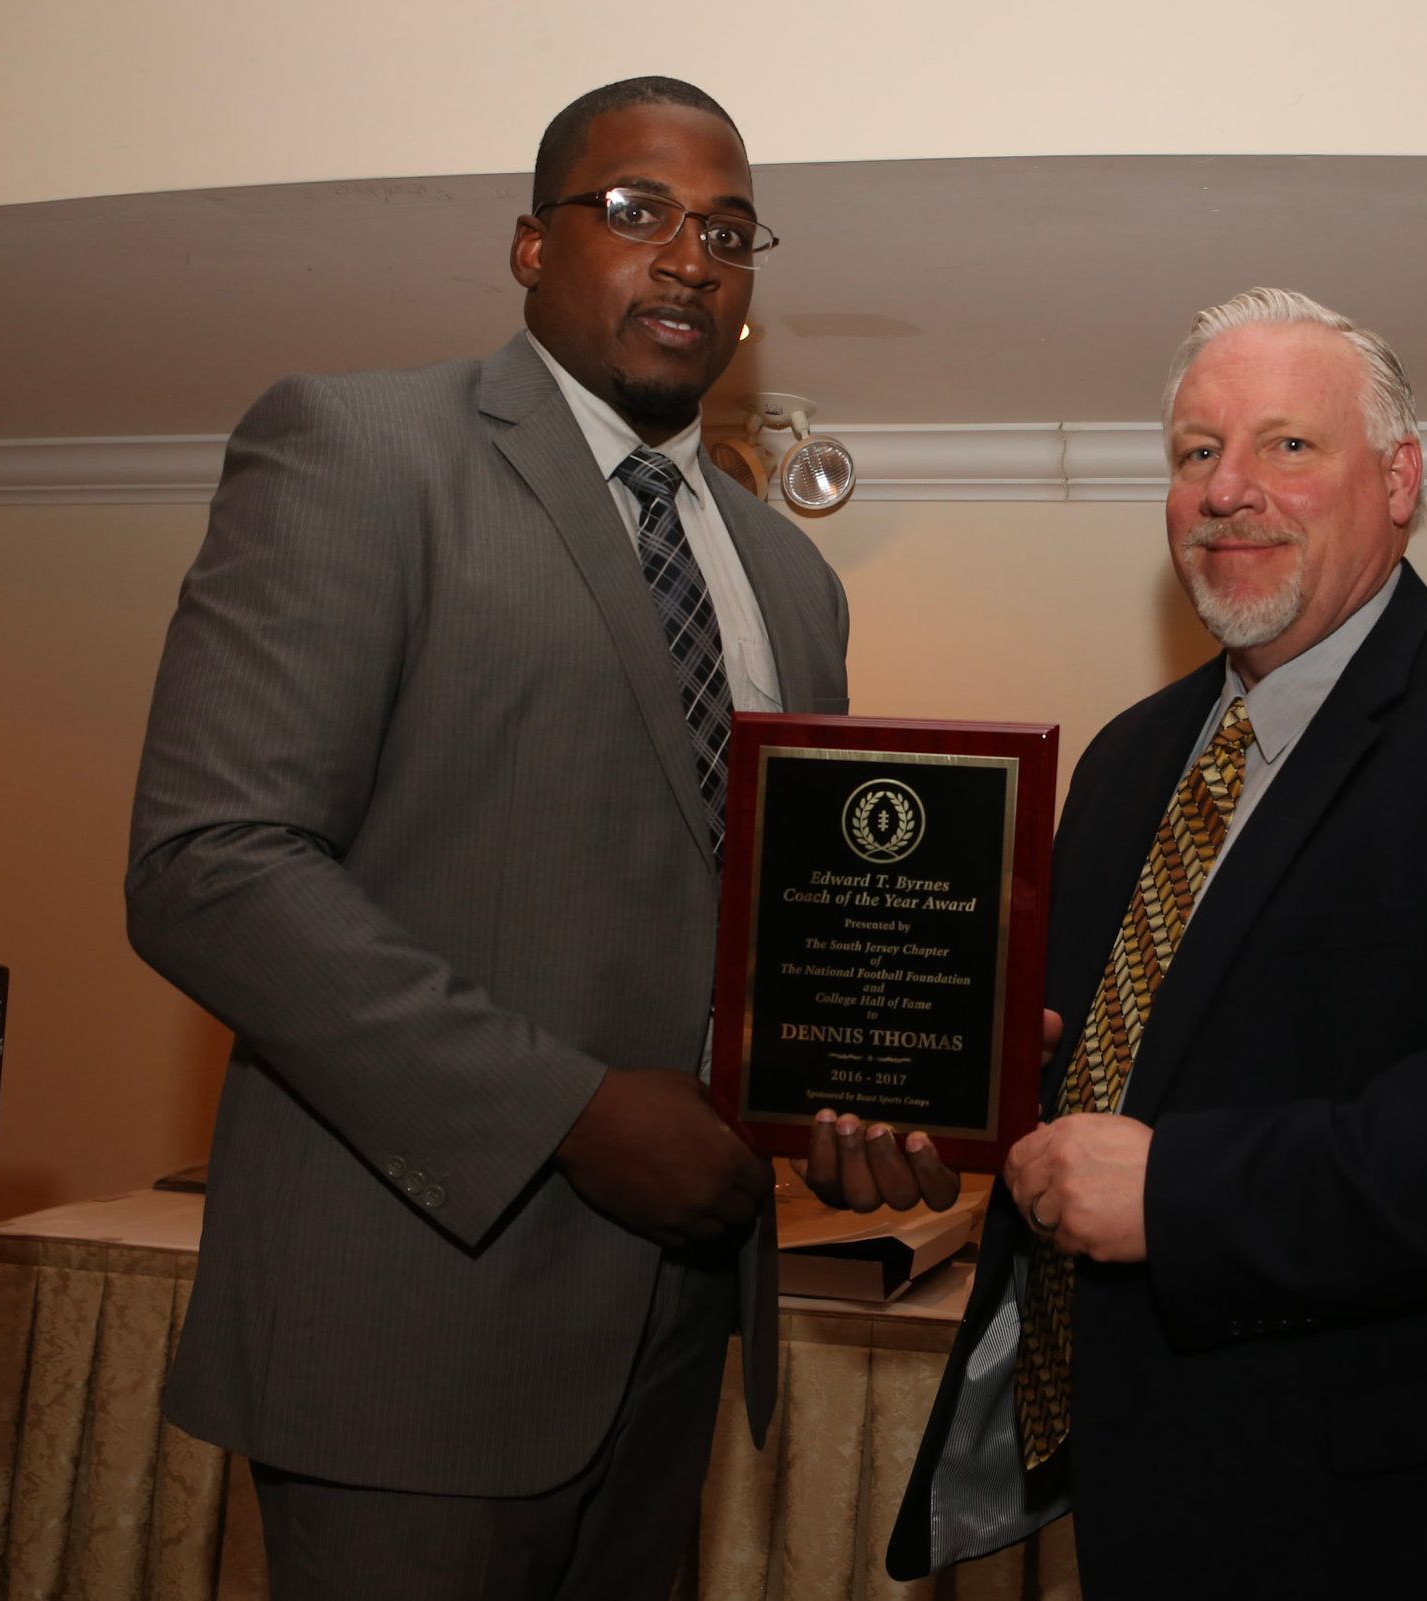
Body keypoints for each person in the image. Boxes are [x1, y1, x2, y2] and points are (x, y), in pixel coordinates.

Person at [127, 75, 948, 1601]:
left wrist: (876, 1078)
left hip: (681, 1331)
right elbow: (212, 863)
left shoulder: (792, 577)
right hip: (410, 1329)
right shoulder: (361, 449)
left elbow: (785, 925)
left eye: (729, 229)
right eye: (637, 211)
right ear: (528, 244)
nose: (690, 256)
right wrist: (566, 1110)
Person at [887, 287, 1427, 1599]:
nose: (1226, 489)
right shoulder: (1127, 759)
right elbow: (1108, 1073)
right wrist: (945, 1107)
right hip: (1148, 1505)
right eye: (1196, 452)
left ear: (1399, 481)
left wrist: (1176, 1194)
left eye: (1288, 446)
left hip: (1426, 1533)